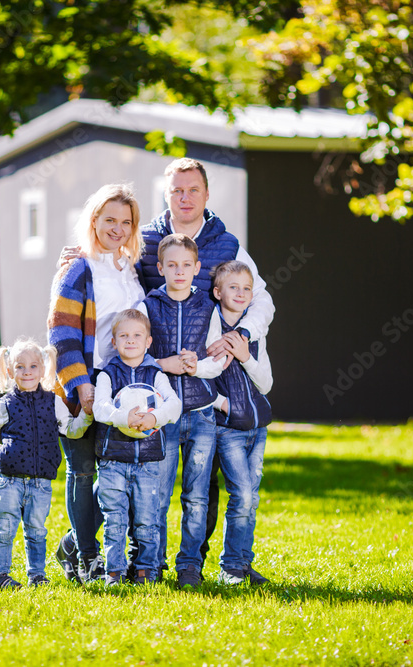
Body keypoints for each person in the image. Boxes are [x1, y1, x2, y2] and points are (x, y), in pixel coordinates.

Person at [136, 158, 276, 571]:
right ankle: (145, 560)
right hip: (156, 379)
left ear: (206, 194)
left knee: (203, 482)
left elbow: (262, 298)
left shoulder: (226, 243)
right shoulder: (145, 242)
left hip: (209, 383)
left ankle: (194, 561)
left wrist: (242, 338)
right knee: (147, 479)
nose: (185, 197)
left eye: (193, 189)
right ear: (166, 194)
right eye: (177, 189)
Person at [47, 183, 146, 583]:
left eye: (126, 222)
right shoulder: (78, 266)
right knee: (84, 471)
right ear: (94, 221)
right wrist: (80, 384)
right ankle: (88, 558)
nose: (118, 228)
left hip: (120, 388)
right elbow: (61, 331)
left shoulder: (129, 268)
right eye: (110, 220)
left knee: (114, 477)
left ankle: (71, 544)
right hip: (83, 385)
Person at [135, 234, 226, 589]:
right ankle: (150, 563)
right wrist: (165, 364)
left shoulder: (208, 307)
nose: (179, 271)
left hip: (202, 413)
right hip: (164, 413)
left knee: (196, 494)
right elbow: (137, 358)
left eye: (186, 265)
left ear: (197, 269)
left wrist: (194, 367)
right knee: (156, 492)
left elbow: (216, 361)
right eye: (171, 265)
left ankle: (189, 564)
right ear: (160, 269)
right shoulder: (148, 305)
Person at [0, 338, 93, 590]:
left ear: (43, 369)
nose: (27, 372)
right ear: (9, 371)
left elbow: (72, 431)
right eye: (20, 367)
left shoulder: (54, 402)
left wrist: (86, 413)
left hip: (41, 481)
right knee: (5, 527)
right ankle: (0, 575)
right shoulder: (5, 404)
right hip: (10, 479)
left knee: (37, 530)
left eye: (33, 366)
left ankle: (37, 575)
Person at [92, 309, 182, 585]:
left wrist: (154, 417)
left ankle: (145, 570)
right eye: (124, 336)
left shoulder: (156, 375)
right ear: (114, 341)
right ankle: (114, 572)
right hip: (113, 460)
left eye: (137, 335)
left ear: (148, 342)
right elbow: (100, 407)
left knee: (147, 519)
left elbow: (174, 404)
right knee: (115, 519)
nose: (130, 341)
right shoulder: (108, 374)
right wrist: (124, 417)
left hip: (149, 460)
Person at [208, 261, 273, 586]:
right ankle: (230, 566)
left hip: (258, 426)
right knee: (242, 495)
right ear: (218, 292)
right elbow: (201, 382)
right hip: (228, 428)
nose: (241, 293)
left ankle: (243, 563)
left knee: (253, 497)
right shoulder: (210, 328)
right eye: (233, 287)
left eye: (247, 288)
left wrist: (245, 355)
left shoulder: (253, 332)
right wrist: (225, 405)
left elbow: (267, 383)